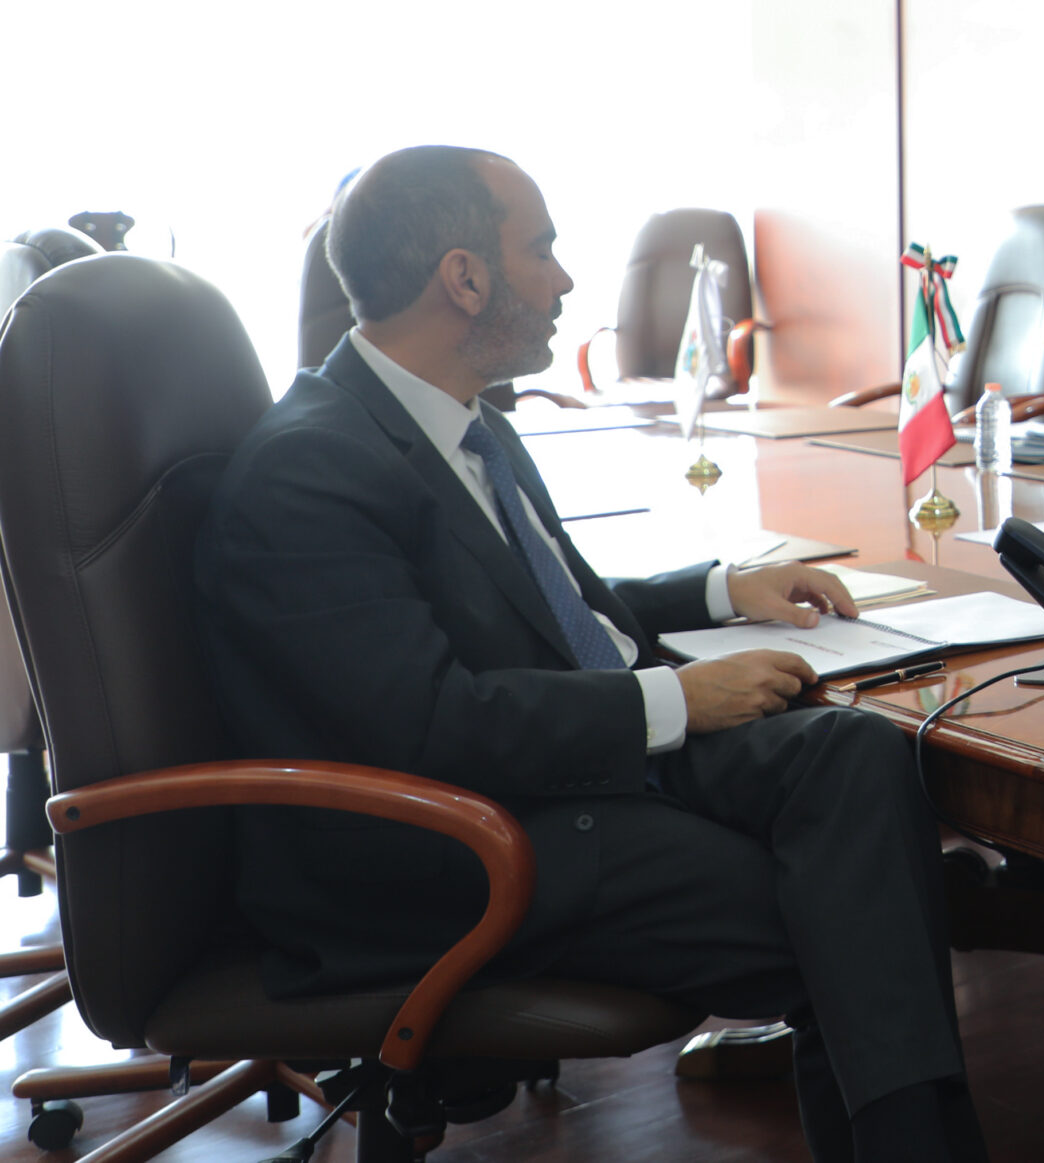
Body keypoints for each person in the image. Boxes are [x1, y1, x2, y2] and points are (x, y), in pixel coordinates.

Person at [195, 146, 982, 1163]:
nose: (566, 280)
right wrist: (677, 701)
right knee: (855, 914)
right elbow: (425, 724)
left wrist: (716, 590)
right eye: (542, 250)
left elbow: (542, 608)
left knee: (859, 753)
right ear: (464, 278)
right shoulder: (310, 471)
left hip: (556, 769)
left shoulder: (463, 422)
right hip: (452, 845)